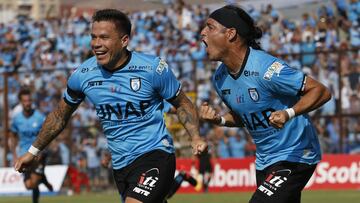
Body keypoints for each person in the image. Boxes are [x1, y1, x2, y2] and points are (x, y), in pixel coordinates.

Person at [14, 9, 207, 203]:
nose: (96, 44)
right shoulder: (83, 74)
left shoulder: (152, 69)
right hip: (121, 166)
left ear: (124, 40)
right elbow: (59, 116)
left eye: (104, 37)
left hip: (155, 155)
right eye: (94, 37)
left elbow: (182, 103)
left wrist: (196, 136)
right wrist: (33, 152)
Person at [199, 5, 331, 203]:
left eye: (210, 27)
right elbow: (245, 115)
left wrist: (289, 113)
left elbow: (321, 91)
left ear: (231, 34)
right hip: (264, 161)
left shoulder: (266, 68)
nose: (202, 32)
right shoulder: (219, 78)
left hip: (295, 153)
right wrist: (220, 120)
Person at [9, 89, 53, 203]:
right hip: (23, 154)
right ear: (21, 102)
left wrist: (43, 151)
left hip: (38, 154)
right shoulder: (17, 119)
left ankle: (39, 183)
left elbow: (47, 135)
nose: (27, 103)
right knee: (29, 185)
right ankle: (43, 179)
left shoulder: (39, 117)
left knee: (34, 182)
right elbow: (12, 137)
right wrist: (14, 155)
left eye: (29, 100)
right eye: (25, 101)